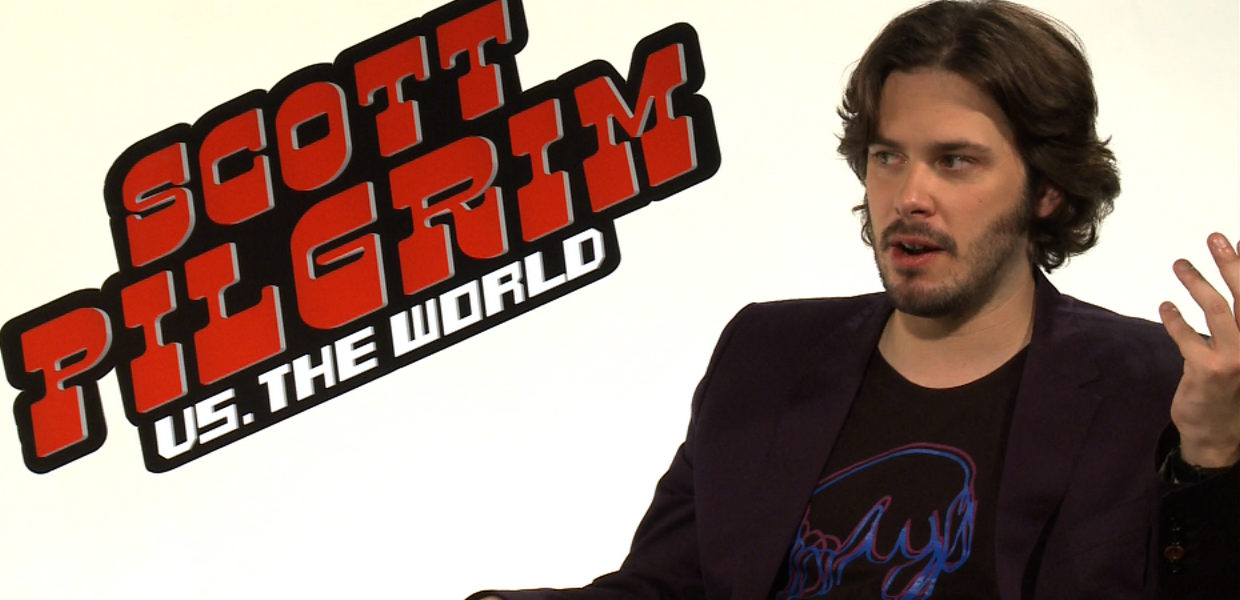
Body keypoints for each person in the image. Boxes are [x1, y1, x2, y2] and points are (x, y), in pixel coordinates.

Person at [470, 1, 1240, 598]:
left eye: (955, 161)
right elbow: (667, 588)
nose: (909, 196)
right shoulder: (765, 353)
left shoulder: (1155, 384)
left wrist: (1212, 463)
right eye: (887, 157)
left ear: (1046, 190)